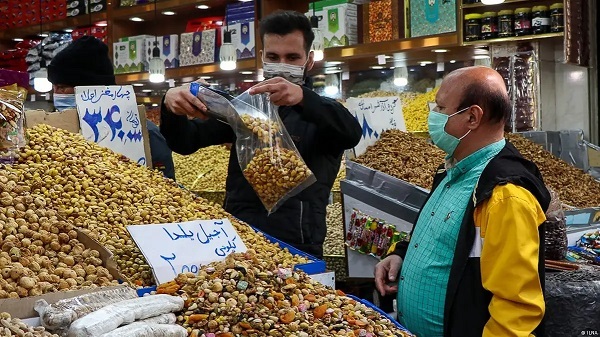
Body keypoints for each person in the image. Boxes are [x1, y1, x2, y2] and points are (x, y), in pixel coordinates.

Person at [159, 10, 362, 258]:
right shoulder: (245, 108)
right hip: (239, 239)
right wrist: (171, 107)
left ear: (309, 61)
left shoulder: (323, 112)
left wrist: (302, 98)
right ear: (263, 57)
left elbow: (351, 133)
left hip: (297, 244)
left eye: (292, 57)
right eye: (274, 57)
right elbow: (186, 142)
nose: (282, 65)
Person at [374, 66, 551, 337]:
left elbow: (516, 308)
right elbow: (447, 240)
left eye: (441, 108)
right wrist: (401, 255)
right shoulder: (452, 170)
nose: (432, 115)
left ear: (472, 117)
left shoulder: (504, 196)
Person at [47, 36, 176, 180]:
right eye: (53, 88)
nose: (56, 95)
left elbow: (166, 187)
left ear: (90, 89)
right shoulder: (55, 133)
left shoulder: (145, 133)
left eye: (62, 88)